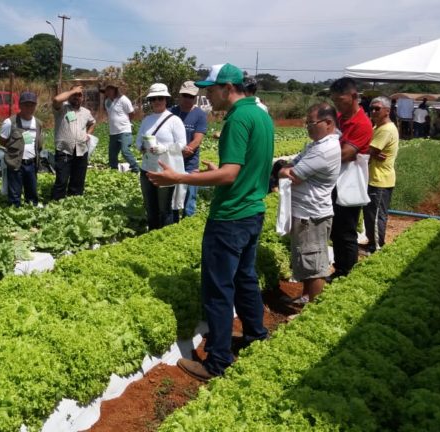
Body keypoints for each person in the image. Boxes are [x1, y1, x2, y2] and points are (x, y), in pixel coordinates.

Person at [147, 63, 274, 381]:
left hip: (230, 216)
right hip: (253, 211)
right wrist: (216, 167)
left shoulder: (238, 118)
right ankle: (256, 335)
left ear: (228, 89)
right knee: (245, 278)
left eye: (211, 90)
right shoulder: (261, 115)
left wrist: (180, 177)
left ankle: (217, 361)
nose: (207, 96)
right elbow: (246, 167)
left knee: (218, 289)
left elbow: (230, 175)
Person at [278, 103, 341, 304]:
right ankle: (306, 296)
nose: (307, 127)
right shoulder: (316, 145)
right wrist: (285, 170)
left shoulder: (325, 149)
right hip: (305, 212)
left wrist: (284, 171)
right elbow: (290, 166)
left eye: (311, 123)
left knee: (314, 264)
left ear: (328, 123)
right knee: (305, 258)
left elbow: (291, 173)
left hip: (312, 215)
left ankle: (312, 308)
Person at [327, 77, 373, 282]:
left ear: (354, 97)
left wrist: (322, 152)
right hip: (336, 181)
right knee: (336, 229)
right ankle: (339, 269)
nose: (338, 105)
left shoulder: (361, 123)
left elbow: (344, 154)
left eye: (341, 100)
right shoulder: (340, 117)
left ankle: (347, 273)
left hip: (350, 184)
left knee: (346, 230)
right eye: (335, 101)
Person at [136, 83, 185, 230]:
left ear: (166, 100)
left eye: (160, 98)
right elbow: (138, 140)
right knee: (151, 209)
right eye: (153, 99)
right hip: (147, 169)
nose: (157, 101)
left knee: (165, 210)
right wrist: (142, 146)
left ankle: (165, 238)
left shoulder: (174, 120)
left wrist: (165, 148)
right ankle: (152, 236)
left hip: (164, 170)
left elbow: (182, 143)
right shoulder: (147, 120)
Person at [363, 96, 399, 255]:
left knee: (376, 216)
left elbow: (368, 152)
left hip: (380, 180)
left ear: (387, 111)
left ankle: (377, 247)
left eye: (377, 108)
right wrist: (369, 151)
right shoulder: (377, 127)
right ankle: (372, 242)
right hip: (374, 178)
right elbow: (369, 150)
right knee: (370, 215)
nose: (373, 111)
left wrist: (370, 152)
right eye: (371, 108)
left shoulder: (385, 129)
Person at [170, 80, 208, 218]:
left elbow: (197, 139)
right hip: (172, 162)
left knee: (189, 200)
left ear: (195, 97)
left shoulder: (200, 115)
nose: (187, 99)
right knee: (172, 199)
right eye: (185, 95)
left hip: (190, 163)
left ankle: (188, 222)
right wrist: (176, 154)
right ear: (180, 95)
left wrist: (185, 152)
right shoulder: (171, 112)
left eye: (191, 96)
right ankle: (172, 224)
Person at [0, 91, 43, 207]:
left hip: (32, 164)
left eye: (32, 105)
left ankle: (32, 214)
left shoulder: (38, 123)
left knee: (32, 193)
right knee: (14, 194)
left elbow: (38, 144)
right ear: (20, 105)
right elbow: (2, 142)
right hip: (15, 164)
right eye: (26, 104)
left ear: (35, 106)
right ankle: (15, 215)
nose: (29, 107)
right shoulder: (10, 122)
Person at [51, 85, 96, 200]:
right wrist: (72, 91)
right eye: (74, 95)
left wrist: (88, 134)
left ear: (82, 98)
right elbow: (56, 100)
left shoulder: (86, 112)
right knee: (62, 180)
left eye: (79, 95)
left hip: (81, 150)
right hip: (64, 150)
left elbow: (92, 122)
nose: (76, 97)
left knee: (78, 180)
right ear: (69, 95)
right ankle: (57, 203)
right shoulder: (62, 108)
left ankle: (74, 202)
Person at [103, 83, 138, 172]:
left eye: (110, 89)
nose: (108, 92)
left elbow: (132, 113)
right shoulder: (107, 102)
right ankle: (113, 170)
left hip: (124, 131)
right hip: (113, 132)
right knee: (112, 154)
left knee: (125, 151)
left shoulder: (123, 99)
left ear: (115, 90)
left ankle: (136, 169)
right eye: (106, 90)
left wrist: (127, 123)